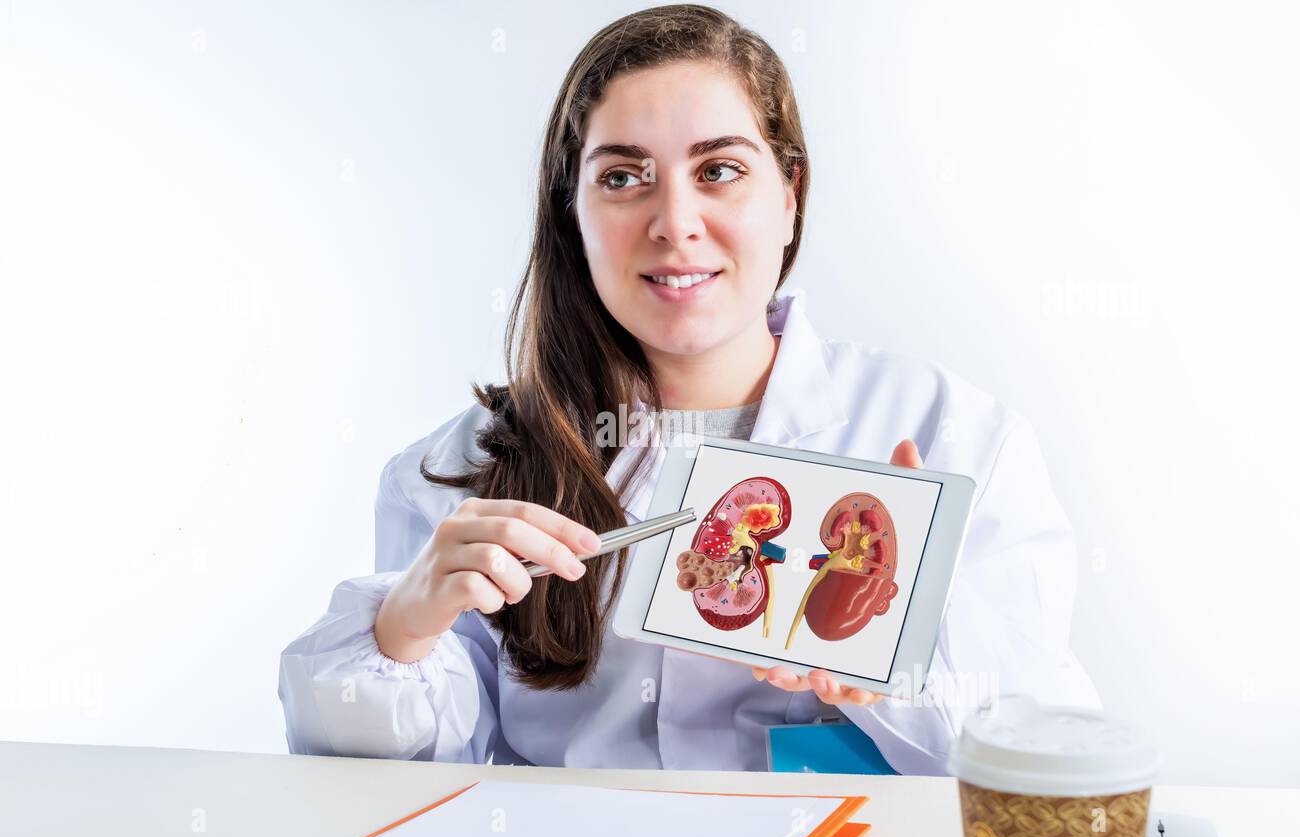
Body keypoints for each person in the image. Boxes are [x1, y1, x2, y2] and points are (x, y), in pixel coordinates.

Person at [278, 4, 1100, 775]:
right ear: (572, 212)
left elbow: (1047, 755)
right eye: (624, 178)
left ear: (790, 195)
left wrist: (902, 663)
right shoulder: (460, 472)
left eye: (719, 170)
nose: (674, 222)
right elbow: (385, 790)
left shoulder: (953, 435)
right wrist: (400, 629)